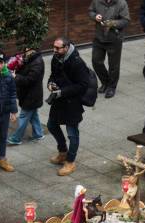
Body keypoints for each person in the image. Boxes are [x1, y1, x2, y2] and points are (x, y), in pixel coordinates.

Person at [46, 37, 90, 177]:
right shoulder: (56, 58)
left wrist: (62, 92)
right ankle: (63, 152)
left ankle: (70, 161)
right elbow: (53, 75)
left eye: (58, 48)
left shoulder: (77, 63)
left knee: (72, 133)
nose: (54, 50)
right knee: (52, 125)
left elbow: (83, 85)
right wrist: (50, 83)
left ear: (66, 47)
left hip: (72, 103)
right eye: (54, 47)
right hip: (59, 100)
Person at [88, 0, 130, 98]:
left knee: (113, 66)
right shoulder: (96, 1)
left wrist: (112, 23)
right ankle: (105, 82)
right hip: (99, 37)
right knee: (96, 61)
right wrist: (95, 16)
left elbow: (125, 20)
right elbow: (90, 11)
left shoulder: (121, 3)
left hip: (114, 38)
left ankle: (111, 87)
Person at [8, 47, 45, 145]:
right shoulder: (29, 59)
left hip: (31, 96)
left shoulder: (37, 63)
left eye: (28, 49)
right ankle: (38, 134)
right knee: (33, 115)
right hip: (29, 94)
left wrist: (16, 77)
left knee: (24, 117)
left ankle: (16, 138)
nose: (25, 51)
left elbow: (29, 80)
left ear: (34, 50)